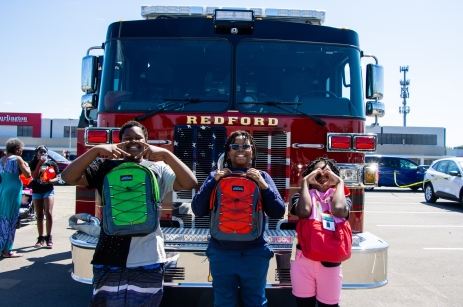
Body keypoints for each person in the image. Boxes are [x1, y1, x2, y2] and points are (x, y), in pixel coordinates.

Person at [61, 120, 197, 306]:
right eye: (127, 138)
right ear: (119, 141)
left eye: (138, 138)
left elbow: (190, 182)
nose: (133, 142)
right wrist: (95, 150)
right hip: (110, 255)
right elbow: (68, 177)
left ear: (146, 141)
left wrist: (166, 153)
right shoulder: (104, 166)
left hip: (148, 255)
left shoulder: (158, 169)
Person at [191, 130, 286, 307]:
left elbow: (278, 212)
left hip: (255, 253)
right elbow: (197, 209)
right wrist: (214, 181)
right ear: (228, 152)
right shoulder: (215, 177)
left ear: (253, 151)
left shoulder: (262, 177)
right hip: (221, 253)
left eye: (245, 146)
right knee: (224, 302)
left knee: (255, 301)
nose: (240, 150)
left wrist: (263, 186)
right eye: (235, 146)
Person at [289, 156, 351, 307]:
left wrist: (340, 183)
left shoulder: (342, 197)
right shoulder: (300, 196)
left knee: (329, 305)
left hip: (329, 263)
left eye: (327, 174)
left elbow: (338, 209)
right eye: (318, 174)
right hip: (303, 262)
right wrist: (304, 182)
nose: (323, 178)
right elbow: (304, 211)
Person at [0, 138, 31, 258]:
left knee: (2, 217)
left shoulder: (1, 160)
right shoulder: (17, 159)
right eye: (21, 149)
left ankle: (2, 247)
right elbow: (28, 174)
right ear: (17, 149)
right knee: (11, 218)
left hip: (2, 187)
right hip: (13, 189)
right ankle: (7, 250)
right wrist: (26, 166)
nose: (21, 152)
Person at [29, 145, 60, 248]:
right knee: (39, 214)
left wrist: (51, 181)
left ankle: (49, 237)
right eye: (40, 152)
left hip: (48, 190)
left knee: (49, 213)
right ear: (36, 154)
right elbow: (34, 177)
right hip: (37, 191)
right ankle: (40, 237)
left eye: (44, 151)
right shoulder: (34, 163)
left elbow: (57, 178)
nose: (43, 153)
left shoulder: (52, 164)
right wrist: (39, 163)